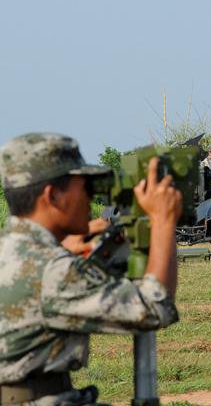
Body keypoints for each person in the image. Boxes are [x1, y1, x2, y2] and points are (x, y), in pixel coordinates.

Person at [0, 133, 182, 405]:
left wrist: (60, 248)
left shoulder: (14, 248)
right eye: (86, 187)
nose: (92, 197)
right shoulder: (53, 269)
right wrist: (163, 220)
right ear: (53, 195)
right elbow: (153, 308)